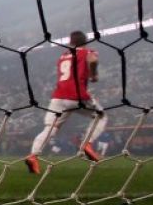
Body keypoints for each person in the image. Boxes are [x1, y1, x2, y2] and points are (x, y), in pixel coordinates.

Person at [26, 31, 108, 174]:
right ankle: (87, 144)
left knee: (50, 129)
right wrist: (93, 75)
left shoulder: (63, 56)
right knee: (101, 116)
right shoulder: (87, 51)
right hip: (78, 96)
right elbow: (93, 60)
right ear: (85, 41)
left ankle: (33, 156)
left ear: (71, 42)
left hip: (58, 97)